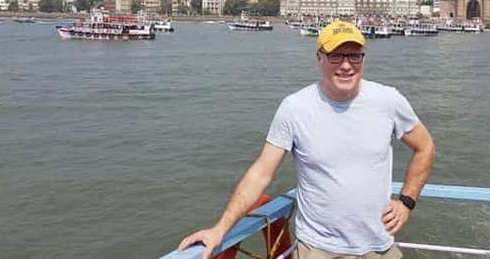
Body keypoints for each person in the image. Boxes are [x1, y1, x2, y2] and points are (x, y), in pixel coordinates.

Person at [179, 20, 435, 259]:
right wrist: (220, 228)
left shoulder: (388, 101)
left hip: (379, 247)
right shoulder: (295, 108)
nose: (346, 65)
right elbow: (261, 172)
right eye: (336, 56)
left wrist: (406, 202)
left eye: (354, 55)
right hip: (318, 249)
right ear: (319, 58)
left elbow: (425, 147)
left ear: (363, 59)